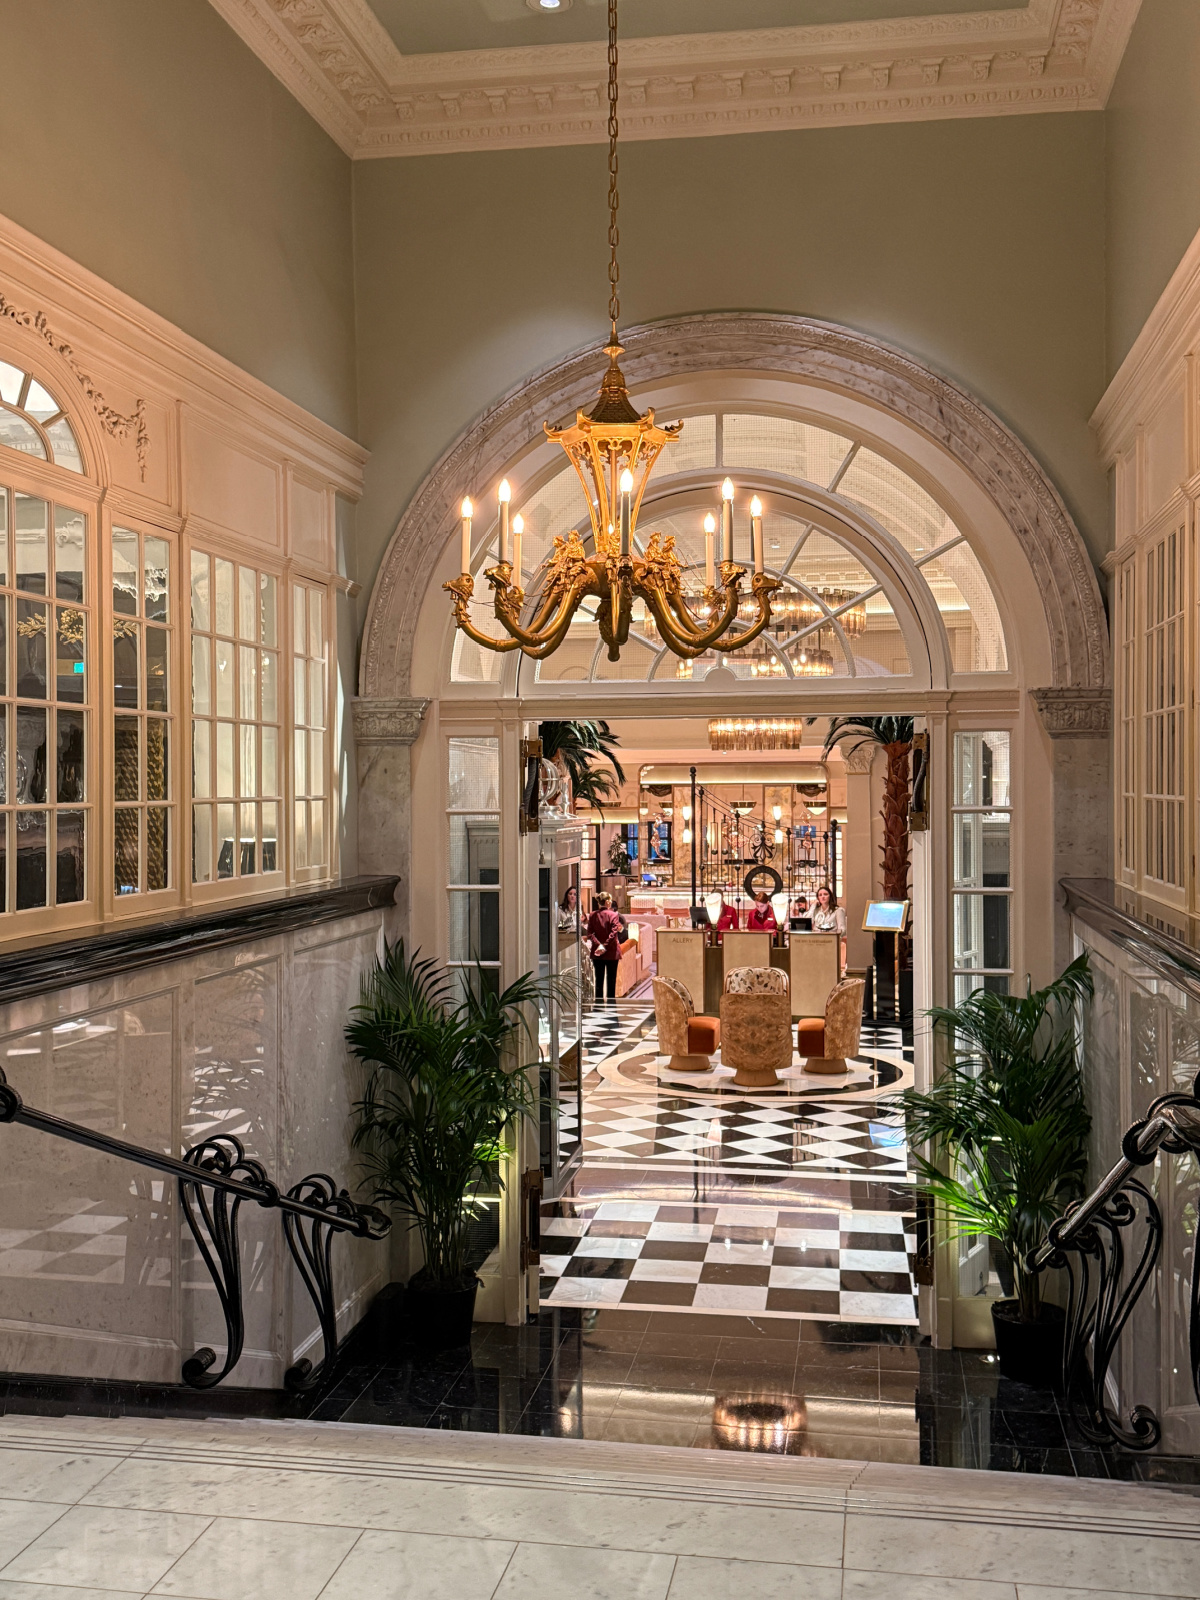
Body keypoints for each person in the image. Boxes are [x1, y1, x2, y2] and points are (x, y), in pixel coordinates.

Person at [585, 891, 623, 1002]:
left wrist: (599, 945)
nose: (611, 902)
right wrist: (605, 946)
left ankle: (598, 1005)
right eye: (610, 900)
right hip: (611, 952)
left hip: (597, 952)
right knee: (611, 980)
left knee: (598, 980)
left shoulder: (592, 915)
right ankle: (611, 1005)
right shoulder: (614, 915)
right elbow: (613, 933)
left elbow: (590, 934)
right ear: (607, 902)